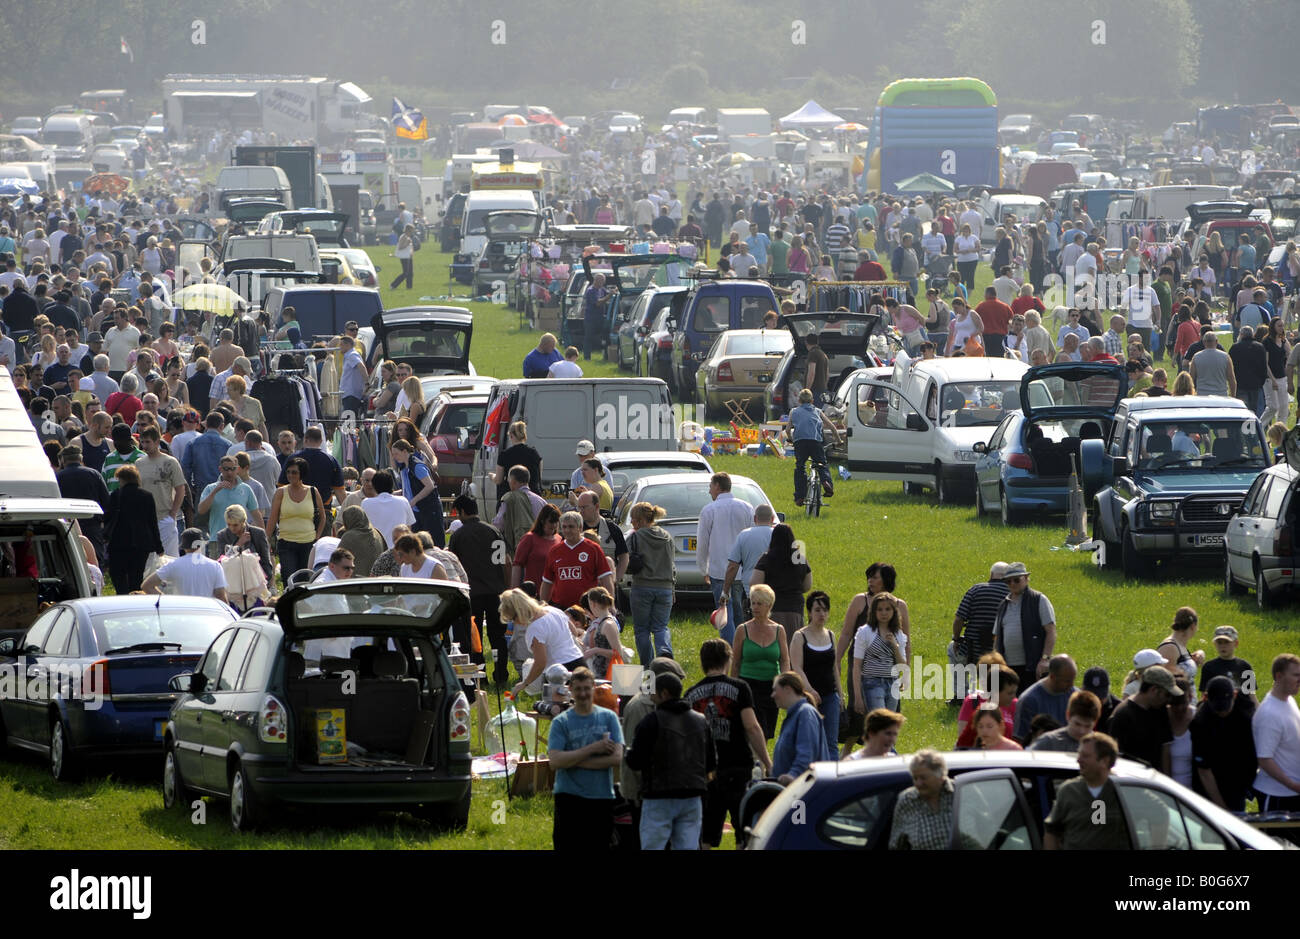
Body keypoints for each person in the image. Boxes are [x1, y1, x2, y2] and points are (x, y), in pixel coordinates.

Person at [624, 671, 715, 850]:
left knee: (653, 846)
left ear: (663, 693)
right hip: (692, 796)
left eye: (653, 692)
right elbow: (711, 763)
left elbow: (635, 762)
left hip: (658, 797)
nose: (650, 696)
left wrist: (625, 753)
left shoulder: (651, 721)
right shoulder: (701, 721)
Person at [546, 666, 624, 851]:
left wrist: (573, 761)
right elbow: (555, 762)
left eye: (587, 688)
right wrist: (594, 748)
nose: (583, 693)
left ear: (593, 689)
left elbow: (617, 758)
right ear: (570, 690)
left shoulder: (608, 718)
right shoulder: (561, 722)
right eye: (578, 689)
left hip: (601, 796)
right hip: (568, 798)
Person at [448, 495, 508, 682]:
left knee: (475, 638)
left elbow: (454, 565)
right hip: (496, 591)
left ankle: (478, 677)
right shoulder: (494, 531)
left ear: (463, 512)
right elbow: (504, 562)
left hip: (472, 593)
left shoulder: (458, 535)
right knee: (498, 636)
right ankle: (500, 674)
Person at [1043, 733, 1131, 850]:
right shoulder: (1069, 790)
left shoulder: (1125, 790)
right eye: (1079, 754)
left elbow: (1159, 814)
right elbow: (1051, 831)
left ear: (1104, 761)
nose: (1078, 760)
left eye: (1085, 756)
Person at [731, 583, 790, 740]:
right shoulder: (742, 630)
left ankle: (760, 763)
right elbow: (735, 662)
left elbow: (784, 660)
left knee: (767, 732)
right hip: (748, 686)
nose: (755, 607)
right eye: (753, 603)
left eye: (759, 603)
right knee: (753, 729)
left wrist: (785, 683)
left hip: (771, 686)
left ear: (769, 605)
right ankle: (758, 762)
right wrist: (733, 688)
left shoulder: (779, 630)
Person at [1192, 676, 1257, 812]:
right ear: (1205, 697)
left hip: (1238, 784)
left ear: (1234, 695)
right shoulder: (1200, 723)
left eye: (1226, 709)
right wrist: (1221, 808)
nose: (1222, 713)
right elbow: (1204, 770)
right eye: (1218, 709)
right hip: (1212, 784)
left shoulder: (1246, 711)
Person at [948, 562, 1010, 701]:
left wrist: (956, 639)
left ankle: (961, 695)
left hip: (971, 649)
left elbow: (959, 619)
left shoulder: (976, 590)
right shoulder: (1011, 594)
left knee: (952, 648)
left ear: (991, 575)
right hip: (999, 651)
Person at [790, 591, 842, 757]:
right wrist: (810, 691)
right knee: (809, 742)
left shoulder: (831, 635)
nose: (822, 614)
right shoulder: (800, 637)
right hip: (807, 698)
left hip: (830, 696)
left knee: (831, 743)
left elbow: (834, 667)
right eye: (818, 610)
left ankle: (833, 780)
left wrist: (840, 695)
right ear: (810, 612)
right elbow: (796, 668)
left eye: (825, 610)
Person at [992, 561, 1057, 691]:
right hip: (1008, 667)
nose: (1012, 584)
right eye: (1008, 581)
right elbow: (997, 637)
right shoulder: (1003, 605)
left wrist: (1045, 659)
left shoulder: (1039, 600)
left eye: (1016, 580)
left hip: (1033, 666)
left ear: (1026, 579)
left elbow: (1051, 632)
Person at [626, 500, 676, 664]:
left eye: (633, 518)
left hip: (642, 586)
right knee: (661, 627)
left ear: (640, 520)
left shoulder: (636, 537)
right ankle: (664, 653)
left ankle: (648, 666)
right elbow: (672, 564)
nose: (631, 522)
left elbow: (626, 560)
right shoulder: (667, 536)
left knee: (642, 630)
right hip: (665, 588)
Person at [1108, 664, 1179, 773]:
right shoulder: (1123, 716)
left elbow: (1165, 748)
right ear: (1154, 690)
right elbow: (1116, 757)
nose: (1168, 700)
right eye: (1167, 694)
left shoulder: (1160, 710)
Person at [105, 464, 164, 594]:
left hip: (119, 542)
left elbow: (108, 517)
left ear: (122, 479)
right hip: (142, 543)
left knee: (118, 575)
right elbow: (152, 522)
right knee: (137, 576)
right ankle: (135, 598)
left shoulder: (117, 495)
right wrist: (159, 546)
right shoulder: (147, 496)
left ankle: (122, 596)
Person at [1252, 653, 1300, 812]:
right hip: (1277, 797)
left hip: (1291, 794)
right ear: (1279, 676)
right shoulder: (1270, 714)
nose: (1299, 680)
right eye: (1296, 675)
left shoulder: (1288, 701)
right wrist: (1294, 785)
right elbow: (1264, 759)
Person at [540, 510, 614, 609]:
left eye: (571, 527)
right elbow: (547, 582)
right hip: (561, 608)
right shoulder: (554, 551)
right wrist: (543, 604)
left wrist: (610, 605)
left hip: (588, 608)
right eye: (564, 527)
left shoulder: (593, 549)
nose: (567, 530)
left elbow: (606, 579)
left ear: (580, 528)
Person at [266, 456, 324, 584]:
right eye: (288, 472)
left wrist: (317, 538)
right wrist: (266, 540)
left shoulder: (313, 491)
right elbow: (272, 518)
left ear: (301, 474)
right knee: (289, 577)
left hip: (308, 543)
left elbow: (322, 517)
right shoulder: (281, 492)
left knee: (306, 580)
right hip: (287, 543)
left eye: (294, 472)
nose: (290, 475)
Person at [852, 591, 908, 715]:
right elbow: (857, 665)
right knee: (880, 722)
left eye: (887, 609)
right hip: (872, 682)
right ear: (874, 612)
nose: (884, 613)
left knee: (888, 725)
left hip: (892, 683)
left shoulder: (899, 635)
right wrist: (858, 696)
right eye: (880, 609)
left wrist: (895, 646)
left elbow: (902, 665)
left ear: (894, 611)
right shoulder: (865, 632)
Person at [770, 671, 831, 784]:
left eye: (775, 690)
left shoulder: (805, 714)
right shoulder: (794, 716)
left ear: (787, 689)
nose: (772, 695)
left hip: (804, 791)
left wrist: (792, 775)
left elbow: (806, 753)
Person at [750, 523, 812, 633]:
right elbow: (807, 586)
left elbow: (754, 583)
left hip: (771, 609)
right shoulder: (800, 558)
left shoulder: (767, 558)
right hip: (795, 609)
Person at [888, 750, 955, 850]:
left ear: (940, 775)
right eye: (915, 778)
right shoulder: (908, 800)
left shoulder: (960, 792)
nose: (919, 783)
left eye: (923, 778)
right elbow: (896, 845)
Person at [136, 425, 185, 559]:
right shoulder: (139, 463)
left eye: (148, 442)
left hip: (165, 518)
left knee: (169, 559)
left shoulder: (170, 462)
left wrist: (173, 514)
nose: (144, 445)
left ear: (157, 442)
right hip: (145, 520)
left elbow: (180, 489)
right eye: (142, 442)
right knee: (148, 561)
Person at [141, 527, 229, 602]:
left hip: (182, 613)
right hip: (206, 614)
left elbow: (146, 586)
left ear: (184, 547)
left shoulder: (173, 565)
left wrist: (167, 601)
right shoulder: (215, 566)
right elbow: (221, 596)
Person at [787, 388, 838, 507]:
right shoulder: (818, 411)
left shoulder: (794, 411)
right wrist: (839, 440)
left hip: (800, 443)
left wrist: (791, 440)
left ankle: (800, 496)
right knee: (821, 464)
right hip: (815, 442)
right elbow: (832, 427)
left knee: (800, 467)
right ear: (812, 400)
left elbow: (788, 430)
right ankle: (826, 482)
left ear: (799, 400)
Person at [1013, 654, 1079, 744]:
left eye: (1073, 679)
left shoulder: (1076, 696)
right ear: (1052, 677)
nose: (1071, 685)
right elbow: (1020, 740)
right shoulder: (1030, 700)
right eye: (1067, 681)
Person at [390, 438, 443, 546]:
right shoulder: (404, 468)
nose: (394, 457)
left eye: (396, 453)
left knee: (433, 542)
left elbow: (429, 486)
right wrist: (394, 494)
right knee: (417, 543)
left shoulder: (417, 466)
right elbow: (408, 489)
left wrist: (414, 500)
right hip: (416, 510)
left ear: (405, 451)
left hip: (428, 508)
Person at [955, 661, 1018, 749]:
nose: (1013, 697)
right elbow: (962, 745)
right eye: (1010, 693)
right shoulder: (982, 713)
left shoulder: (1013, 705)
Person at [214, 503, 274, 585]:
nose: (232, 528)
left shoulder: (258, 533)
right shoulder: (222, 535)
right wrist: (238, 544)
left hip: (256, 582)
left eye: (235, 525)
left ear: (243, 521)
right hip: (232, 583)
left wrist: (264, 580)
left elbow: (265, 560)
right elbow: (222, 561)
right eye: (229, 524)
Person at [1028, 690, 1102, 753]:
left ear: (1095, 722)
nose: (1081, 731)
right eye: (1077, 724)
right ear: (1068, 716)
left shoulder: (1100, 747)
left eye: (1087, 726)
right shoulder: (1048, 743)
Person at [511, 503, 560, 588]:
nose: (554, 525)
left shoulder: (559, 539)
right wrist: (515, 591)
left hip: (554, 593)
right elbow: (517, 565)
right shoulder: (529, 538)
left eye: (556, 521)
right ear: (542, 520)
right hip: (533, 592)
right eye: (551, 522)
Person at [491, 420, 542, 500]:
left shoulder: (504, 455)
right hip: (532, 498)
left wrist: (492, 476)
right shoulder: (534, 454)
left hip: (511, 499)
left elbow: (498, 480)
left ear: (511, 436)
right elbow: (539, 477)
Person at [1157, 605, 1205, 684]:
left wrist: (1199, 654)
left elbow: (1181, 668)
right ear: (1193, 626)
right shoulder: (1169, 648)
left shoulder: (1180, 646)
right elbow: (1166, 681)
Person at [389, 224, 415, 290]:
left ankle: (409, 287)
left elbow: (411, 247)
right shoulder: (403, 237)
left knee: (410, 273)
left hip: (408, 256)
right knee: (405, 273)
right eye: (411, 231)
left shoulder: (408, 237)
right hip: (404, 257)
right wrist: (407, 244)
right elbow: (400, 247)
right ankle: (393, 285)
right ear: (408, 230)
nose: (412, 232)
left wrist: (411, 252)